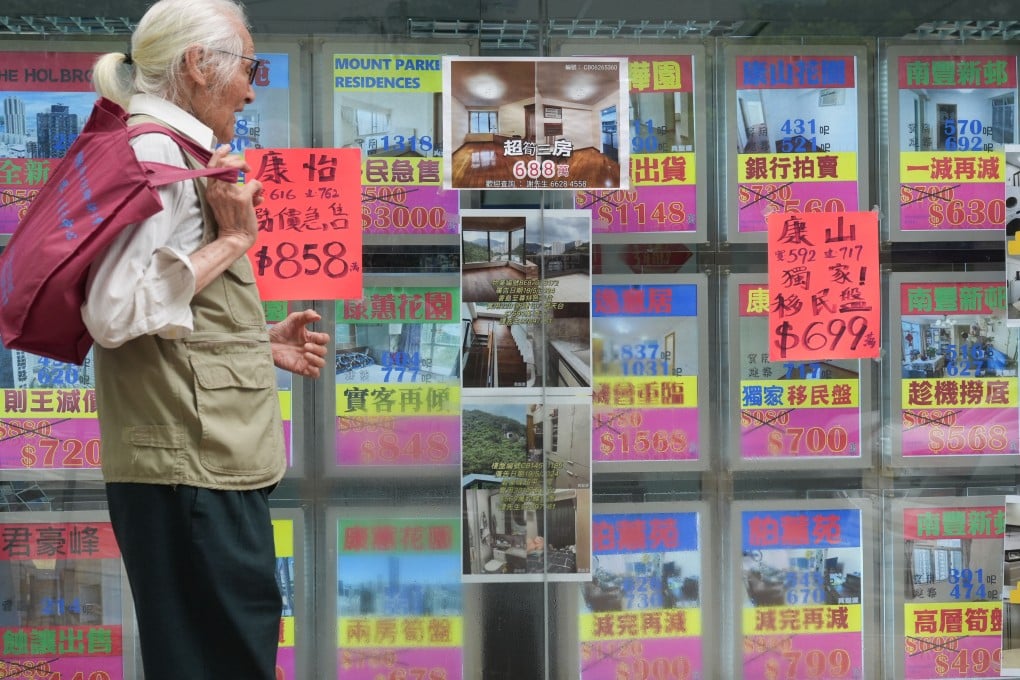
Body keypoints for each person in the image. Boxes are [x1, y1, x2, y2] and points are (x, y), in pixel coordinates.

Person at [83, 1, 330, 678]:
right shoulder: (155, 153)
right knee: (221, 657)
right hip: (190, 469)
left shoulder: (168, 151)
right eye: (249, 68)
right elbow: (114, 310)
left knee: (218, 651)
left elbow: (161, 304)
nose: (253, 88)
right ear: (198, 65)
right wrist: (234, 240)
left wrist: (253, 341)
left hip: (195, 462)